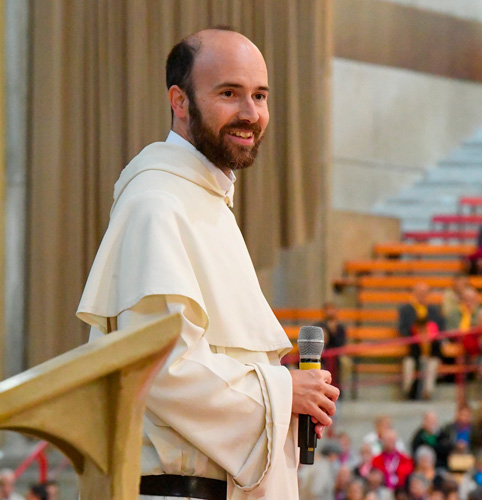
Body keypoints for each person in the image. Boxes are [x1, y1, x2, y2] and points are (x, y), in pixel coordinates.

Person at [77, 27, 339, 500]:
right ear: (179, 101)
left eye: (260, 95)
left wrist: (286, 406)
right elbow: (161, 371)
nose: (250, 113)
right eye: (229, 93)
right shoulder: (157, 203)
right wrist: (284, 393)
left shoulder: (205, 202)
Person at [399, 283, 444, 400]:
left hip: (431, 350)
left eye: (424, 293)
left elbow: (441, 330)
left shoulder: (434, 311)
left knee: (432, 365)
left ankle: (427, 393)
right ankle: (408, 391)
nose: (422, 296)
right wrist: (417, 335)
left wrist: (430, 338)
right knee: (408, 364)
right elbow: (402, 329)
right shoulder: (405, 310)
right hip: (413, 349)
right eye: (419, 293)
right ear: (414, 294)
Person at [315, 302, 349, 388]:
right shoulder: (318, 326)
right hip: (320, 354)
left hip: (336, 355)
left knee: (345, 363)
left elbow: (341, 344)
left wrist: (333, 332)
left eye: (332, 309)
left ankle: (339, 388)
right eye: (327, 309)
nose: (330, 312)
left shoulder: (340, 328)